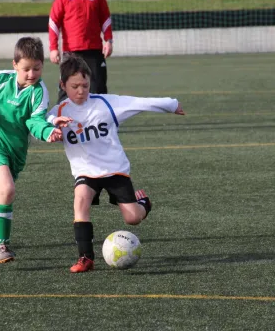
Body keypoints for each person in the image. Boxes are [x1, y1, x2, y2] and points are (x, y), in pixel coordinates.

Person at [46, 54, 185, 273]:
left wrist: (171, 104)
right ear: (63, 85)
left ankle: (144, 203)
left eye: (85, 85)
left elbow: (137, 103)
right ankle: (85, 258)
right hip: (86, 171)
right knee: (80, 199)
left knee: (132, 218)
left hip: (114, 169)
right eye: (74, 86)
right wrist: (51, 131)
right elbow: (41, 124)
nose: (81, 90)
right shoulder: (58, 113)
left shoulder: (105, 104)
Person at [0, 37, 71, 263]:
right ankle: (2, 245)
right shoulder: (2, 79)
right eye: (26, 69)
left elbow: (35, 121)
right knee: (7, 189)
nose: (31, 74)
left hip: (16, 153)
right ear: (15, 65)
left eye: (37, 69)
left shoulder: (39, 92)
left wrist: (47, 131)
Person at [49, 0, 113, 103]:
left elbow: (106, 19)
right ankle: (63, 122)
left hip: (94, 50)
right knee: (66, 90)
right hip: (71, 52)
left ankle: (100, 123)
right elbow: (54, 23)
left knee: (99, 89)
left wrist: (108, 40)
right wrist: (53, 48)